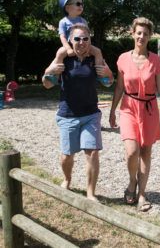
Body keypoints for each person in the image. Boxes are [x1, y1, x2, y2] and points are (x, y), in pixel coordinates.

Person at [109, 17, 160, 212]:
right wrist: (112, 110)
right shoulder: (122, 58)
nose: (142, 36)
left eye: (145, 34)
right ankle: (132, 182)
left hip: (149, 109)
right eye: (139, 32)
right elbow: (120, 86)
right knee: (131, 151)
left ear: (150, 37)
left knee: (146, 152)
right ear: (133, 33)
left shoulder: (155, 60)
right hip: (129, 107)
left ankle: (142, 194)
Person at [42, 23, 113, 201]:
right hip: (68, 115)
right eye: (77, 39)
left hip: (91, 114)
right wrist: (50, 72)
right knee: (67, 155)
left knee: (93, 152)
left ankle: (90, 192)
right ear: (70, 40)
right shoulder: (64, 57)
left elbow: (108, 82)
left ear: (90, 40)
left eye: (85, 38)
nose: (81, 42)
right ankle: (67, 179)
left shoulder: (94, 57)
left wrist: (106, 71)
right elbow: (47, 83)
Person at [56, 0, 104, 69]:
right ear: (67, 8)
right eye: (78, 4)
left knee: (97, 52)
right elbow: (63, 37)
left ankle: (100, 72)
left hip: (83, 43)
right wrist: (68, 49)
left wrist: (88, 46)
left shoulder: (83, 21)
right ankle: (55, 74)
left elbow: (88, 35)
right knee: (60, 52)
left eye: (82, 4)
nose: (81, 6)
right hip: (70, 45)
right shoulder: (63, 22)